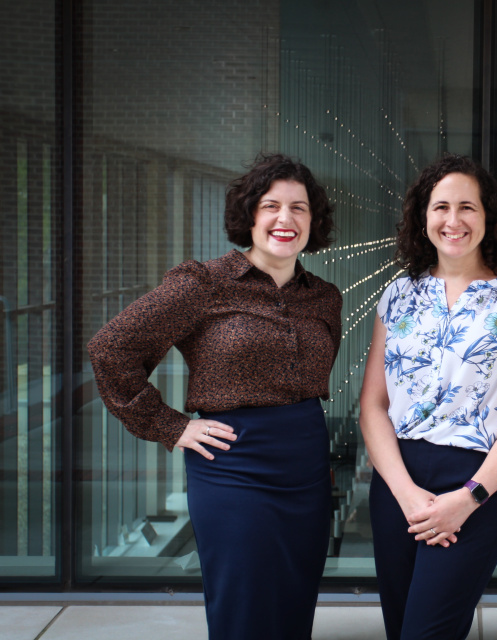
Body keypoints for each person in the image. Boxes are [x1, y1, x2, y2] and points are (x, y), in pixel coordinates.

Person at [87, 154, 342, 640]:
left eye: (299, 208)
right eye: (271, 206)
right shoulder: (203, 284)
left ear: (314, 221)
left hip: (305, 462)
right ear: (250, 215)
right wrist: (171, 425)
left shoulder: (325, 296)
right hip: (233, 463)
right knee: (243, 605)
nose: (285, 218)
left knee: (295, 598)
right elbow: (111, 348)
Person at [359, 154, 497, 640]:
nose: (453, 220)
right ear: (422, 216)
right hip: (396, 479)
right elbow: (373, 406)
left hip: (476, 480)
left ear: (488, 216)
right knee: (400, 627)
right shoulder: (398, 295)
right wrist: (405, 493)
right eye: (441, 207)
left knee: (428, 631)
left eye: (467, 207)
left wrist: (468, 499)